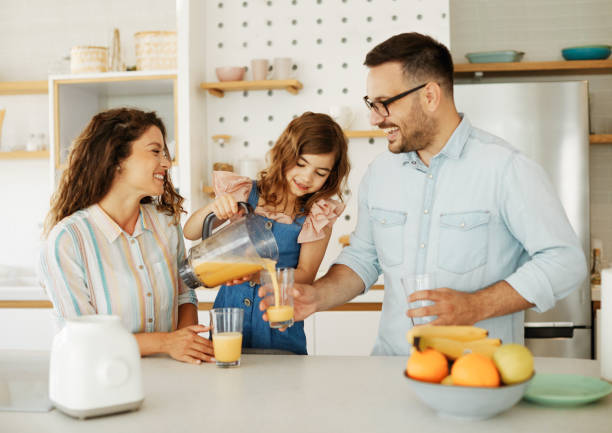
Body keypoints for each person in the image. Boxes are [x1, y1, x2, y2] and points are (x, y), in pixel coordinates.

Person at [260, 32, 587, 355]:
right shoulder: (380, 174)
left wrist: (475, 306)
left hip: (474, 376)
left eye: (384, 104)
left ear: (430, 96)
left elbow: (564, 261)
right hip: (391, 370)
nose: (375, 118)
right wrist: (316, 296)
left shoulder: (506, 168)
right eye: (370, 104)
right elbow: (362, 259)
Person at [38, 108, 214, 365]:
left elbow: (183, 296)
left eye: (165, 153)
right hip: (103, 382)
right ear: (116, 159)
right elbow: (81, 338)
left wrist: (187, 345)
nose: (166, 163)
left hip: (173, 377)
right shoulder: (67, 241)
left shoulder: (166, 223)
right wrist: (166, 342)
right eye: (155, 151)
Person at [184, 112, 350, 354]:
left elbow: (305, 275)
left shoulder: (317, 215)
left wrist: (254, 273)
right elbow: (190, 231)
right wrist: (214, 207)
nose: (307, 177)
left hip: (278, 330)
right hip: (229, 322)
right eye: (301, 164)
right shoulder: (244, 191)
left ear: (331, 176)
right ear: (284, 154)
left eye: (320, 173)